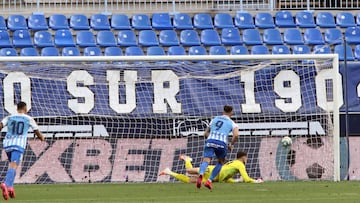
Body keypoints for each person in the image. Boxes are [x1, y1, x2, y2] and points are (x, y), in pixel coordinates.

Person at [0, 102, 45, 200]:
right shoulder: (28, 118)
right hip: (18, 144)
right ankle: (6, 184)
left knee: (13, 165)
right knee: (13, 165)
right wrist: (41, 137)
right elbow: (36, 130)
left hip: (7, 144)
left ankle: (11, 187)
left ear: (17, 109)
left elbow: (0, 125)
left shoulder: (9, 117)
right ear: (25, 109)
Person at [197, 105, 239, 190]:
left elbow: (205, 134)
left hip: (210, 141)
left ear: (222, 111)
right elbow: (236, 135)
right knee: (220, 162)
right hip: (222, 143)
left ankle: (201, 174)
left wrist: (211, 139)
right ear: (231, 113)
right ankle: (209, 180)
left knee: (206, 160)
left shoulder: (214, 119)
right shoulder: (232, 123)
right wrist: (231, 144)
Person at [159, 152, 263, 184]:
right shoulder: (240, 164)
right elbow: (247, 179)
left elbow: (225, 177)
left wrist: (236, 181)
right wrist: (256, 181)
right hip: (212, 170)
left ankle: (168, 172)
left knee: (190, 180)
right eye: (246, 158)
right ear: (243, 157)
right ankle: (187, 160)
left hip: (214, 177)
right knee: (189, 171)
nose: (247, 159)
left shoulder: (233, 164)